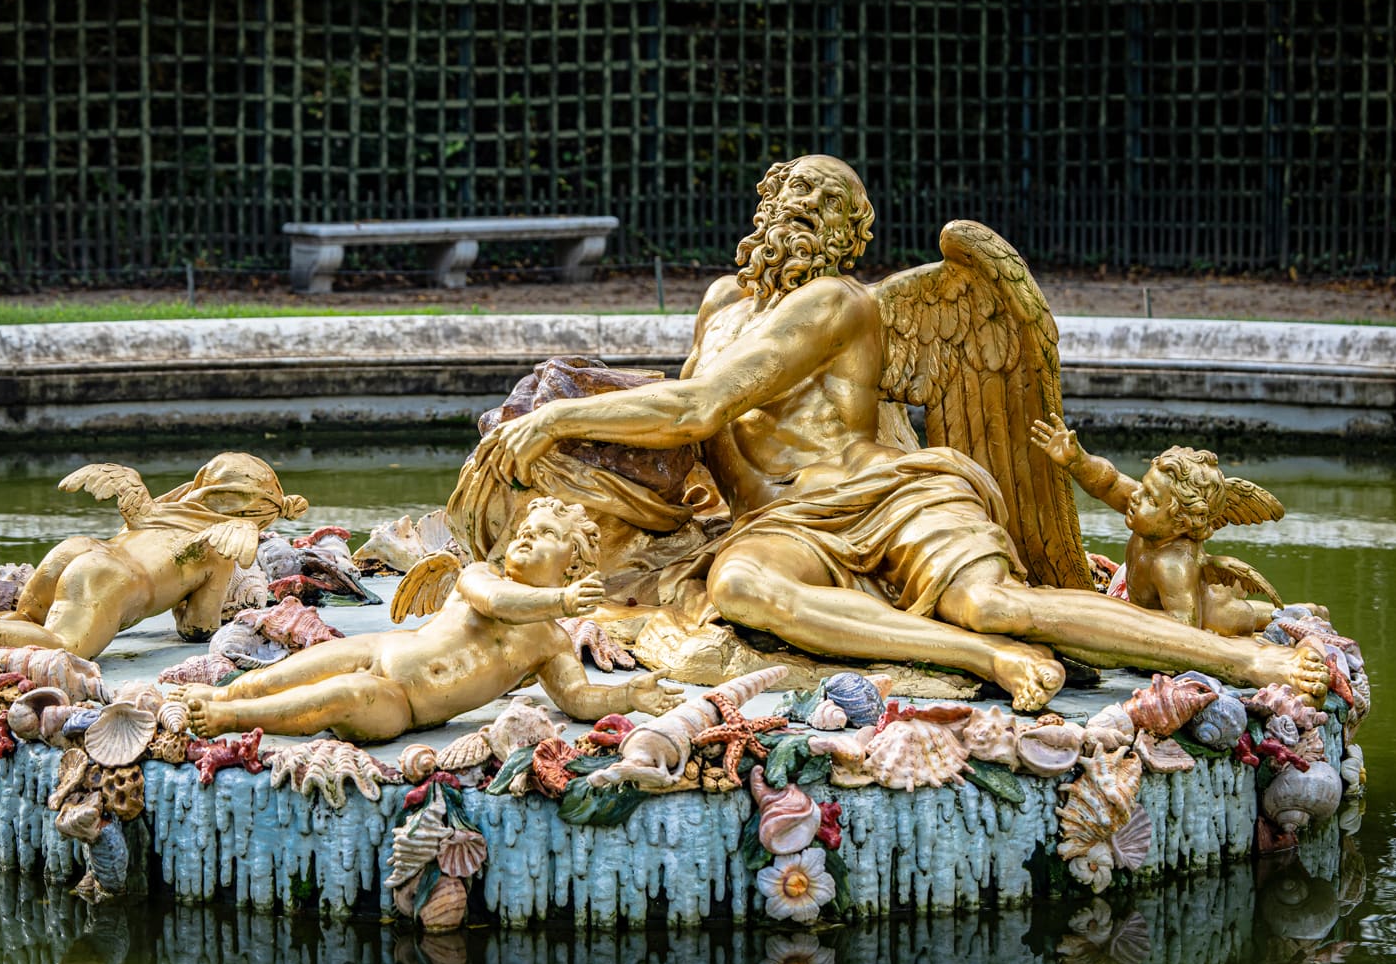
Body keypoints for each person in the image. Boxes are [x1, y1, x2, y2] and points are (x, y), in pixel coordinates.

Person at [471, 155, 1328, 707]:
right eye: (797, 194)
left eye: (830, 207)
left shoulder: (836, 303)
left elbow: (702, 407)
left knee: (995, 603)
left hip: (885, 493)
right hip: (779, 523)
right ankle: (977, 658)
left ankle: (1242, 663)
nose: (807, 211)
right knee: (739, 588)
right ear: (766, 206)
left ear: (849, 237)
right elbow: (682, 423)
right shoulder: (721, 303)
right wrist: (576, 445)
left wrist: (559, 417)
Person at [174, 497, 684, 741]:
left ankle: (228, 718)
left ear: (572, 564)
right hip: (381, 648)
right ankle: (226, 695)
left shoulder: (550, 643)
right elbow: (500, 603)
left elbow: (576, 699)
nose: (527, 536)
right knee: (282, 675)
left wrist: (629, 696)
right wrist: (563, 602)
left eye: (547, 534)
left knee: (344, 695)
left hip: (404, 705)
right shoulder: (481, 575)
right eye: (525, 529)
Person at [0, 452, 305, 659]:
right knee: (66, 647)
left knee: (29, 620)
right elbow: (198, 627)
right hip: (109, 576)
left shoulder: (160, 509)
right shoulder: (217, 547)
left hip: (80, 548)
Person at [1030, 415, 1286, 636]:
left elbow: (1185, 626)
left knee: (1240, 617)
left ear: (1180, 523)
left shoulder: (1172, 564)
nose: (1136, 496)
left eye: (1150, 498)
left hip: (1211, 614)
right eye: (1143, 486)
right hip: (1146, 600)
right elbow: (1109, 483)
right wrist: (1078, 460)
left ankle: (1290, 613)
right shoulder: (1149, 516)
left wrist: (1118, 614)